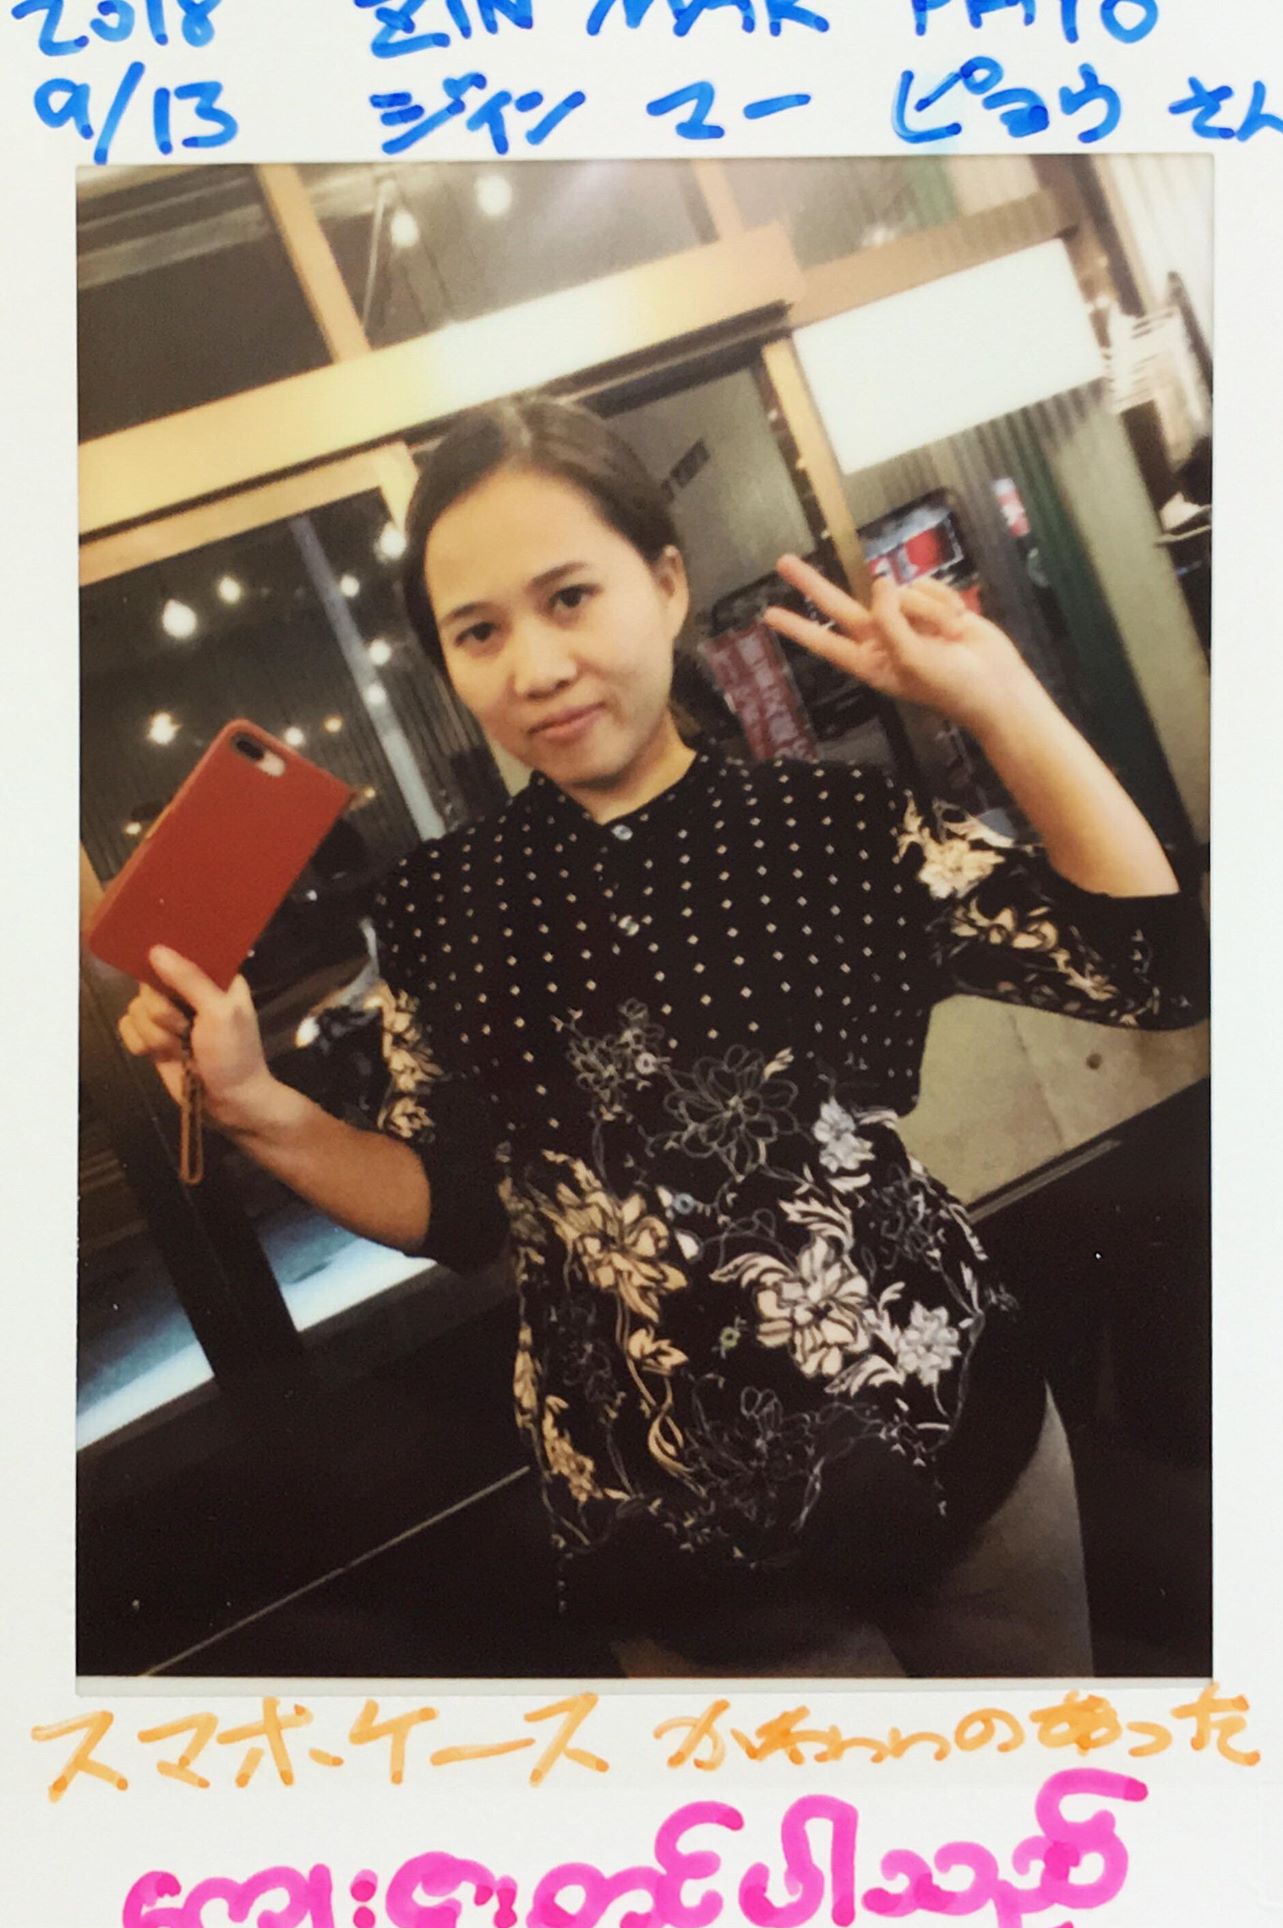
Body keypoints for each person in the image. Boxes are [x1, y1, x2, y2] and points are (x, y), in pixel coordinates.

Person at [119, 397, 1207, 1679]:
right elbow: (451, 1206)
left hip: (957, 1443)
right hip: (673, 1538)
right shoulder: (439, 907)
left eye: (569, 597)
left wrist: (1001, 700)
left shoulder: (828, 827)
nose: (534, 666)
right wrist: (261, 1109)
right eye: (478, 631)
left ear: (668, 583)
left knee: (1035, 1785)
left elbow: (1148, 970)